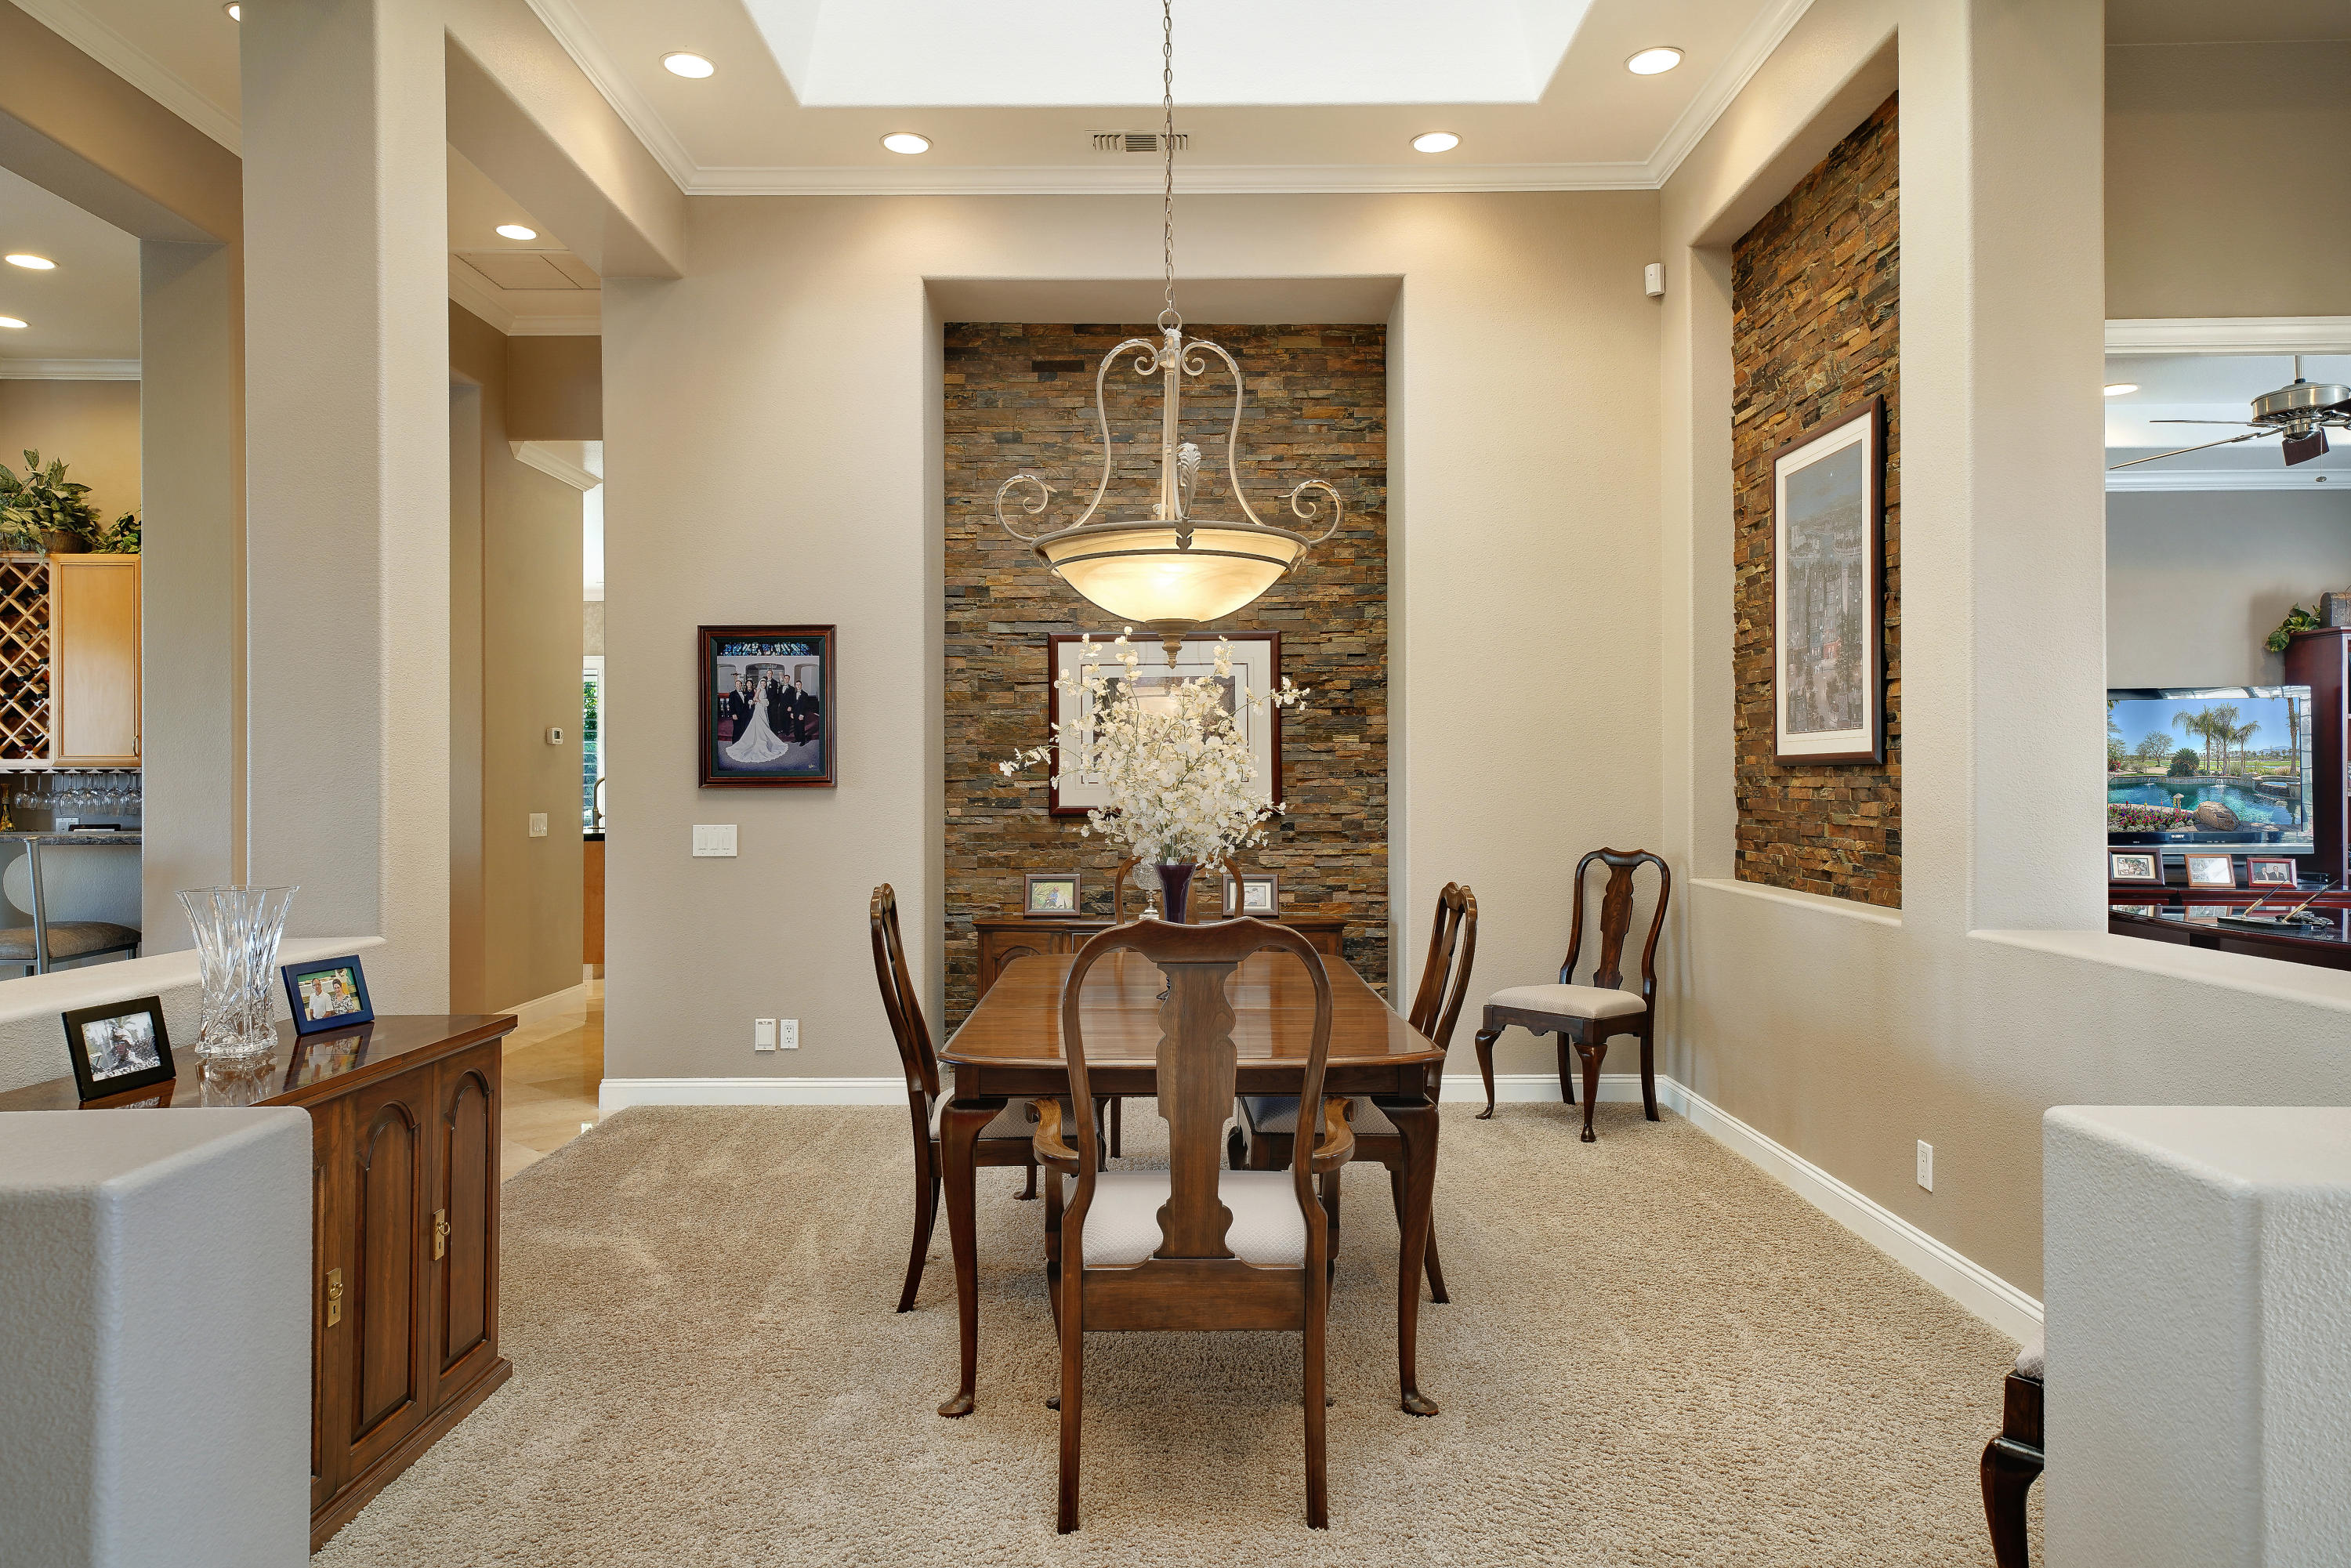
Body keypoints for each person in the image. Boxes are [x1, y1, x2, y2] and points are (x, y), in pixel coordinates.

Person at [723, 672, 793, 768]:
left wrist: (765, 703)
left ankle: (764, 737)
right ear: (761, 684)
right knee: (759, 723)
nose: (763, 685)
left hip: (764, 709)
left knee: (764, 723)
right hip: (760, 708)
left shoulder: (765, 689)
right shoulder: (759, 689)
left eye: (764, 684)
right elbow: (756, 698)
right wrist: (762, 702)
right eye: (762, 683)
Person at [791, 667, 821, 744]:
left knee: (801, 727)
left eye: (799, 684)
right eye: (797, 684)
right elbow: (792, 704)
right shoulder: (794, 694)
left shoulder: (805, 694)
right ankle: (797, 738)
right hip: (795, 712)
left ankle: (803, 740)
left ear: (801, 685)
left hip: (801, 713)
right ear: (795, 685)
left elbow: (804, 706)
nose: (798, 686)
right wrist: (792, 713)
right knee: (796, 727)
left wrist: (802, 714)